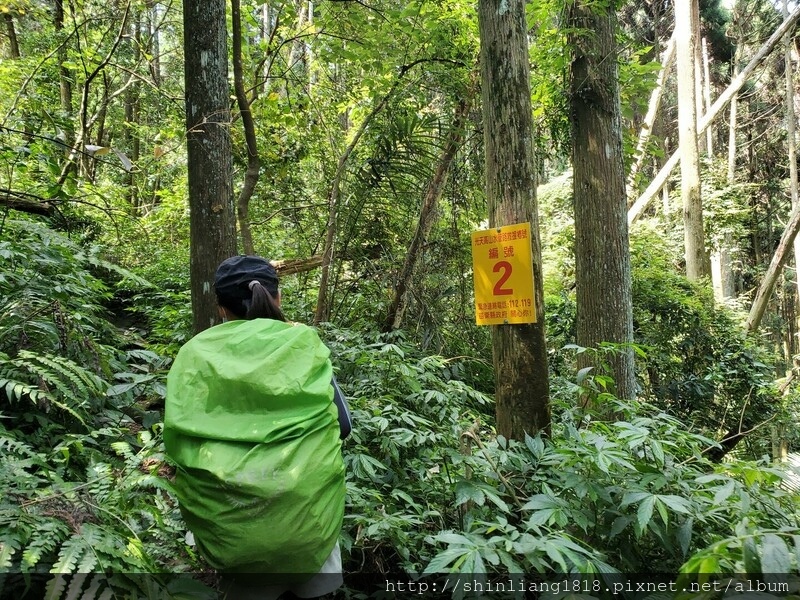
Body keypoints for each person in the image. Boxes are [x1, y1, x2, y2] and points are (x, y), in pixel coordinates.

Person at [164, 255, 350, 599]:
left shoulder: (195, 352)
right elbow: (343, 424)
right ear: (276, 297)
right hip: (310, 527)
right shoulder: (303, 343)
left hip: (234, 535)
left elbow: (180, 436)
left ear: (221, 308)